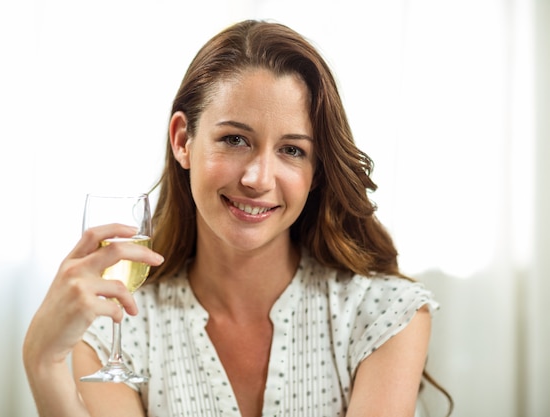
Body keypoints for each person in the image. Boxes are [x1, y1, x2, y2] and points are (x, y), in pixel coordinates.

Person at [23, 19, 452, 417]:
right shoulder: (116, 332)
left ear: (316, 169)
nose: (258, 178)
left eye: (292, 150)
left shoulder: (384, 317)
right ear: (182, 140)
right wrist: (42, 363)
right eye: (234, 139)